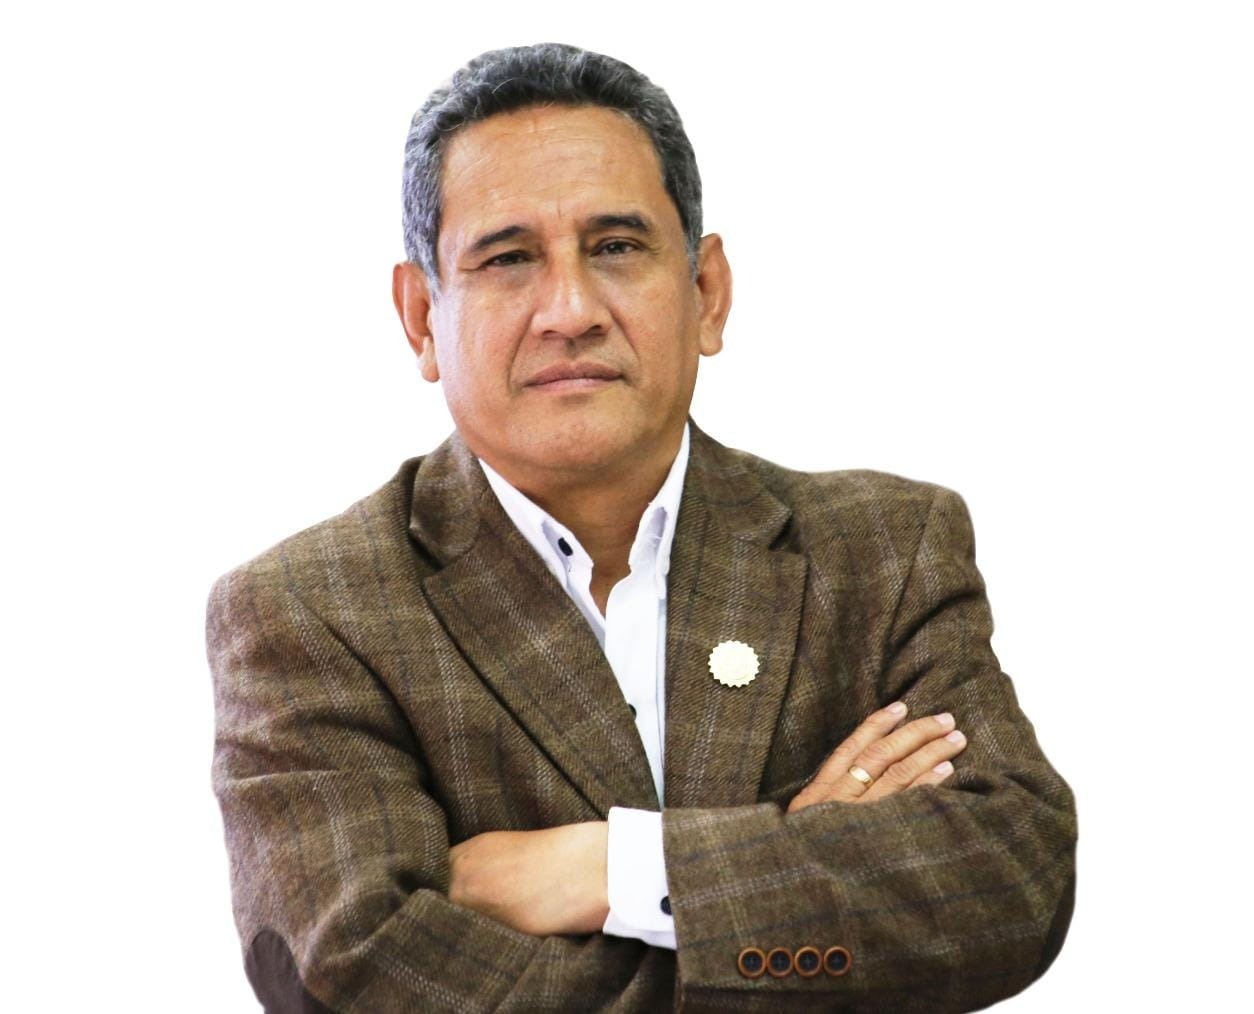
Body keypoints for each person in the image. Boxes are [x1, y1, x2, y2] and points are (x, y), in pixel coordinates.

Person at [206, 42, 1076, 1013]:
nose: (570, 310)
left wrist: (609, 868)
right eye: (508, 258)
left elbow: (1011, 880)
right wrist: (792, 861)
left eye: (616, 247)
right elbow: (349, 975)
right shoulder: (310, 612)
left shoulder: (881, 548)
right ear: (420, 317)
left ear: (706, 293)